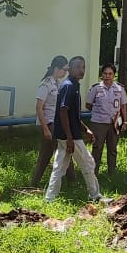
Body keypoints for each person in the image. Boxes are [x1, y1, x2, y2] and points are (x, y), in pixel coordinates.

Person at [44, 57, 102, 203]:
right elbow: (63, 111)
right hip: (69, 136)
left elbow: (74, 115)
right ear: (70, 69)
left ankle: (50, 198)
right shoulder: (69, 86)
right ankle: (95, 195)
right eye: (77, 67)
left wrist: (86, 129)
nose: (81, 70)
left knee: (59, 166)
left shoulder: (73, 85)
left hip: (66, 134)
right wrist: (70, 137)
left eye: (83, 67)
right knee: (88, 163)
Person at [29, 56, 74, 188]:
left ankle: (35, 182)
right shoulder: (46, 84)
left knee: (46, 154)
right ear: (57, 68)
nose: (65, 73)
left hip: (56, 123)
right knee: (63, 150)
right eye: (64, 70)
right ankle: (72, 181)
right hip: (48, 124)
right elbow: (39, 107)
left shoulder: (57, 83)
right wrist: (45, 129)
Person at [86, 64, 127, 178]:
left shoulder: (120, 88)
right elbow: (88, 104)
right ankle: (93, 174)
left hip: (115, 122)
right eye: (105, 73)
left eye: (110, 74)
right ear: (102, 75)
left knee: (112, 148)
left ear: (114, 75)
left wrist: (125, 121)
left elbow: (123, 106)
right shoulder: (96, 88)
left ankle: (112, 173)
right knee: (97, 148)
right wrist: (99, 111)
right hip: (98, 122)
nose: (107, 76)